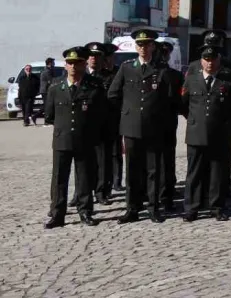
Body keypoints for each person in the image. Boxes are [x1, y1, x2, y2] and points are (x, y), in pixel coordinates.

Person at [109, 28, 177, 224]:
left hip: (154, 128)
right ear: (135, 47)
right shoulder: (127, 67)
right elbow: (113, 94)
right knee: (132, 170)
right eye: (140, 44)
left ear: (153, 46)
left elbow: (170, 99)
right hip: (131, 128)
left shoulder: (162, 70)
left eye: (147, 44)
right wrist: (126, 112)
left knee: (153, 170)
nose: (143, 48)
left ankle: (154, 208)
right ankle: (132, 208)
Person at [44, 46, 108, 228]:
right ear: (65, 66)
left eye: (77, 63)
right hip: (62, 139)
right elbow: (49, 115)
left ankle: (85, 211)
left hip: (85, 139)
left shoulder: (94, 86)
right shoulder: (56, 86)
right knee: (59, 178)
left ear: (84, 64)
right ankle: (57, 214)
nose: (73, 67)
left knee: (85, 178)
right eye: (69, 63)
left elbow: (101, 114)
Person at [180, 44, 231, 221]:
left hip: (219, 133)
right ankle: (192, 208)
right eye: (206, 59)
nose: (209, 63)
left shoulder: (227, 80)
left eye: (213, 59)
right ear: (201, 61)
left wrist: (223, 124)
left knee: (217, 173)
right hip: (196, 133)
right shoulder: (192, 79)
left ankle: (216, 207)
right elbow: (183, 104)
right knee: (194, 173)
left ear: (219, 60)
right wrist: (194, 121)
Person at [85, 43, 122, 202]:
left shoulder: (110, 77)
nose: (94, 59)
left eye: (98, 56)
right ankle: (82, 192)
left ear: (103, 59)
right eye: (91, 56)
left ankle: (102, 191)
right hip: (84, 125)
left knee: (104, 159)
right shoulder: (82, 76)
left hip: (105, 124)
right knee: (84, 161)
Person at [155, 40, 185, 212]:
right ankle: (159, 196)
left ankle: (165, 196)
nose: (164, 56)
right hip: (155, 123)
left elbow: (180, 101)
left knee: (165, 162)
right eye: (162, 52)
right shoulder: (155, 73)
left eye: (165, 53)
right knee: (155, 162)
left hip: (167, 123)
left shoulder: (175, 75)